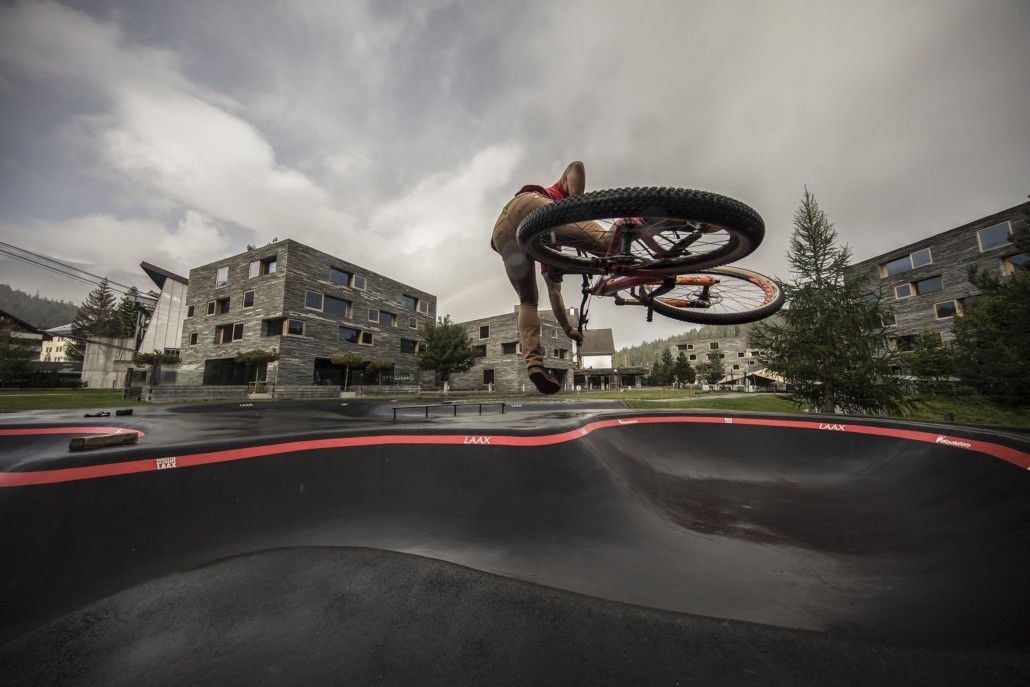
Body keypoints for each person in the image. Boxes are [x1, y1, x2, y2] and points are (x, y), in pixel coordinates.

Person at [490, 161, 608, 394]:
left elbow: (554, 291)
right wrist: (576, 204)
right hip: (529, 206)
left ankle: (534, 364)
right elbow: (576, 166)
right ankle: (672, 221)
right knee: (606, 242)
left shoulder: (550, 246)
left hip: (501, 232)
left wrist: (568, 329)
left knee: (528, 301)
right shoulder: (555, 200)